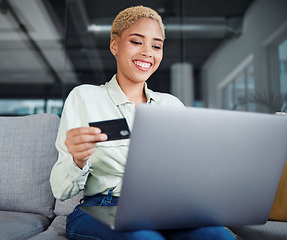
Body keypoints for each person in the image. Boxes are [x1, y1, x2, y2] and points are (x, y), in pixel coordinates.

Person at [50, 5, 235, 240]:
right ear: (114, 45)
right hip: (102, 206)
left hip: (164, 208)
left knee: (218, 236)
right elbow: (60, 190)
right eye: (137, 42)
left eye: (156, 45)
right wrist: (77, 159)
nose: (148, 52)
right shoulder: (84, 97)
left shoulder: (172, 105)